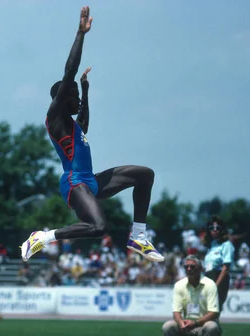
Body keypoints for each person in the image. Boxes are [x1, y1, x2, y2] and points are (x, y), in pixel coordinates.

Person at [20, 6, 163, 264]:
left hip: (91, 180)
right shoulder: (55, 118)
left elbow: (83, 125)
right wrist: (80, 33)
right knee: (98, 228)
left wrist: (85, 92)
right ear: (63, 98)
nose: (76, 102)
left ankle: (139, 236)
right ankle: (43, 237)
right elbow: (69, 72)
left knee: (145, 175)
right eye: (73, 96)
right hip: (76, 183)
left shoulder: (72, 126)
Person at [162, 255, 220, 336]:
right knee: (168, 326)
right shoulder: (179, 285)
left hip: (203, 326)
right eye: (186, 267)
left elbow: (214, 313)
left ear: (200, 269)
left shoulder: (210, 285)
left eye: (192, 267)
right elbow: (176, 311)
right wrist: (181, 323)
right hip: (186, 326)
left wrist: (195, 323)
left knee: (212, 326)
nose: (189, 269)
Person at [203, 215, 234, 336]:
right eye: (212, 228)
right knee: (210, 318)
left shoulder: (226, 245)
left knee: (213, 316)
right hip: (209, 279)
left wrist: (216, 285)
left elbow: (226, 268)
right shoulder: (212, 245)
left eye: (217, 228)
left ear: (222, 230)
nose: (214, 231)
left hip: (219, 280)